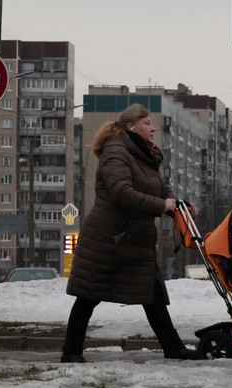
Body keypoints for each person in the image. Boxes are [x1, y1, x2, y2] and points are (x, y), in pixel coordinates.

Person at [61, 103, 198, 363]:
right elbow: (122, 193)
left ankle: (173, 347)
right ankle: (70, 352)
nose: (153, 128)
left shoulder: (142, 154)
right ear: (131, 126)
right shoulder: (116, 152)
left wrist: (177, 205)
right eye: (147, 123)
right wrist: (161, 206)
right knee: (89, 295)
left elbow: (160, 186)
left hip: (134, 239)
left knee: (152, 293)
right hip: (109, 239)